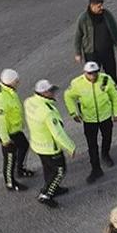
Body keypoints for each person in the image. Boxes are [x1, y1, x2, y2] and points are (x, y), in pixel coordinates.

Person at [64, 61, 117, 184]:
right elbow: (68, 96)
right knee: (92, 145)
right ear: (85, 73)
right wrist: (73, 113)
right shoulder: (77, 83)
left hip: (105, 116)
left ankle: (105, 154)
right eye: (90, 74)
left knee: (107, 137)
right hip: (89, 119)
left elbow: (115, 96)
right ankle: (96, 169)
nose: (93, 76)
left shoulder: (106, 80)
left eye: (95, 73)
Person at [25, 79, 76, 208]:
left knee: (48, 169)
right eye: (51, 91)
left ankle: (54, 188)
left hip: (38, 144)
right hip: (50, 147)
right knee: (59, 171)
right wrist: (70, 147)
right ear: (44, 93)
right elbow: (58, 133)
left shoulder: (29, 102)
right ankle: (46, 195)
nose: (53, 93)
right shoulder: (48, 112)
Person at [0, 68, 34, 192]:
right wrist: (5, 140)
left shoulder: (9, 90)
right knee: (10, 156)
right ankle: (10, 182)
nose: (18, 83)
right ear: (10, 82)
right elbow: (0, 122)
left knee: (24, 145)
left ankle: (20, 170)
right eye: (16, 81)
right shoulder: (1, 99)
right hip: (7, 132)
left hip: (14, 128)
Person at [74, 0, 117, 84]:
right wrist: (78, 53)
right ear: (92, 6)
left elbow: (114, 29)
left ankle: (114, 91)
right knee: (93, 75)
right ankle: (97, 95)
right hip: (91, 53)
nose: (101, 8)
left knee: (111, 72)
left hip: (107, 50)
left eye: (101, 5)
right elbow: (78, 36)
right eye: (99, 6)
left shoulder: (107, 14)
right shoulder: (83, 18)